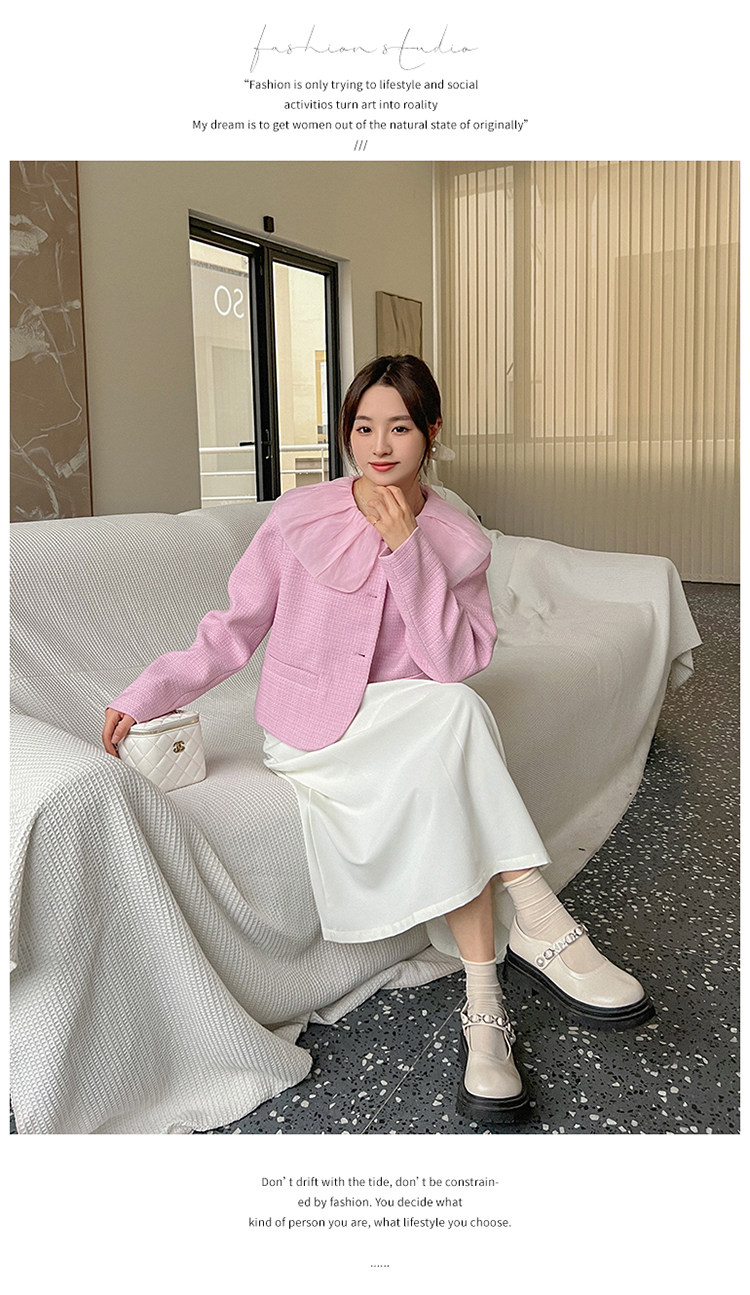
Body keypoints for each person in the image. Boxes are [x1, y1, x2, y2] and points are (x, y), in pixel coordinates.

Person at [103, 354, 653, 1126]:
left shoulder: (458, 537)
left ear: (432, 432)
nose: (380, 445)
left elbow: (456, 660)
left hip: (406, 723)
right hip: (309, 733)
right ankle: (542, 922)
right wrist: (146, 692)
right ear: (347, 433)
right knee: (457, 719)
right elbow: (232, 630)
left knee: (453, 720)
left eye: (399, 427)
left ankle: (485, 1009)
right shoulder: (298, 518)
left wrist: (410, 551)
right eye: (364, 427)